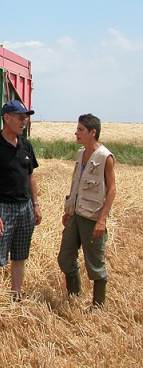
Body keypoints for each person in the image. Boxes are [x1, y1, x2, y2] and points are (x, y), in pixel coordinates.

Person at [0, 99, 43, 300]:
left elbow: (31, 176)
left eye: (26, 118)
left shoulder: (26, 145)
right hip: (3, 208)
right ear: (7, 118)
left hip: (25, 208)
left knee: (20, 255)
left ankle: (16, 294)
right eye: (21, 117)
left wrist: (35, 205)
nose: (24, 122)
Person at [58, 114, 116, 309]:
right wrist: (69, 210)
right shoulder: (80, 153)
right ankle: (74, 295)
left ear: (93, 132)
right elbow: (76, 184)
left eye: (81, 129)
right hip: (75, 215)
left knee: (95, 264)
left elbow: (112, 190)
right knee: (65, 258)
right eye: (77, 129)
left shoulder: (105, 157)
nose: (76, 132)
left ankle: (98, 306)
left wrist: (102, 220)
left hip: (92, 218)